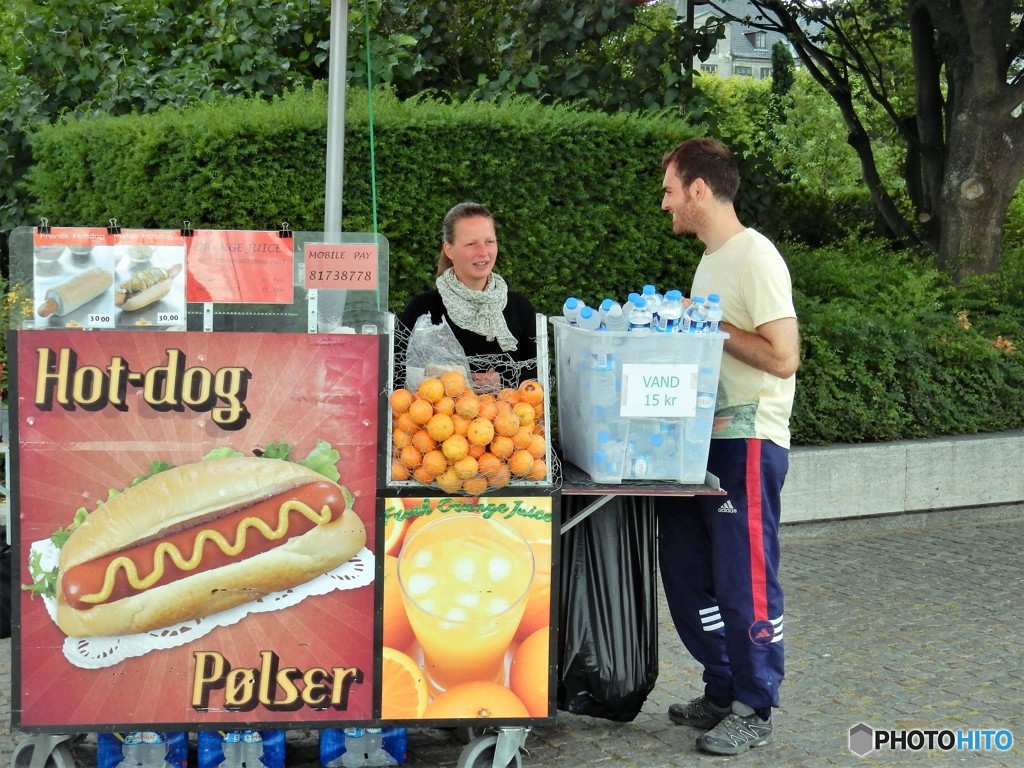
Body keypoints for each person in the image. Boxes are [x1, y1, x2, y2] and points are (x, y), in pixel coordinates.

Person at [656, 138, 800, 755]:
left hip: (748, 440)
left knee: (745, 581)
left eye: (668, 190)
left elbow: (783, 357)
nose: (664, 204)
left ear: (697, 190)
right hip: (700, 441)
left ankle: (754, 704)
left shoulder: (755, 256)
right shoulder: (711, 260)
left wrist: (707, 322)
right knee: (687, 575)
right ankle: (722, 687)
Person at [397, 202, 537, 388]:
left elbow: (538, 373)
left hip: (508, 416)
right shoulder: (423, 309)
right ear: (449, 250)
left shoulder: (519, 308)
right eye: (471, 244)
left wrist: (501, 382)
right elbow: (396, 373)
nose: (483, 252)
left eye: (489, 242)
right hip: (436, 416)